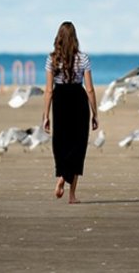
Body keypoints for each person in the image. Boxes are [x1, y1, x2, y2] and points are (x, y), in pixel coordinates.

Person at [42, 21, 98, 204]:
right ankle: (72, 195)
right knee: (78, 146)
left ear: (58, 38)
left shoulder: (52, 59)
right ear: (75, 38)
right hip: (78, 100)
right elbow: (89, 89)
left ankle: (61, 176)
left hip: (60, 102)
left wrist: (45, 116)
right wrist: (95, 113)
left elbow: (49, 90)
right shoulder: (83, 58)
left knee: (62, 143)